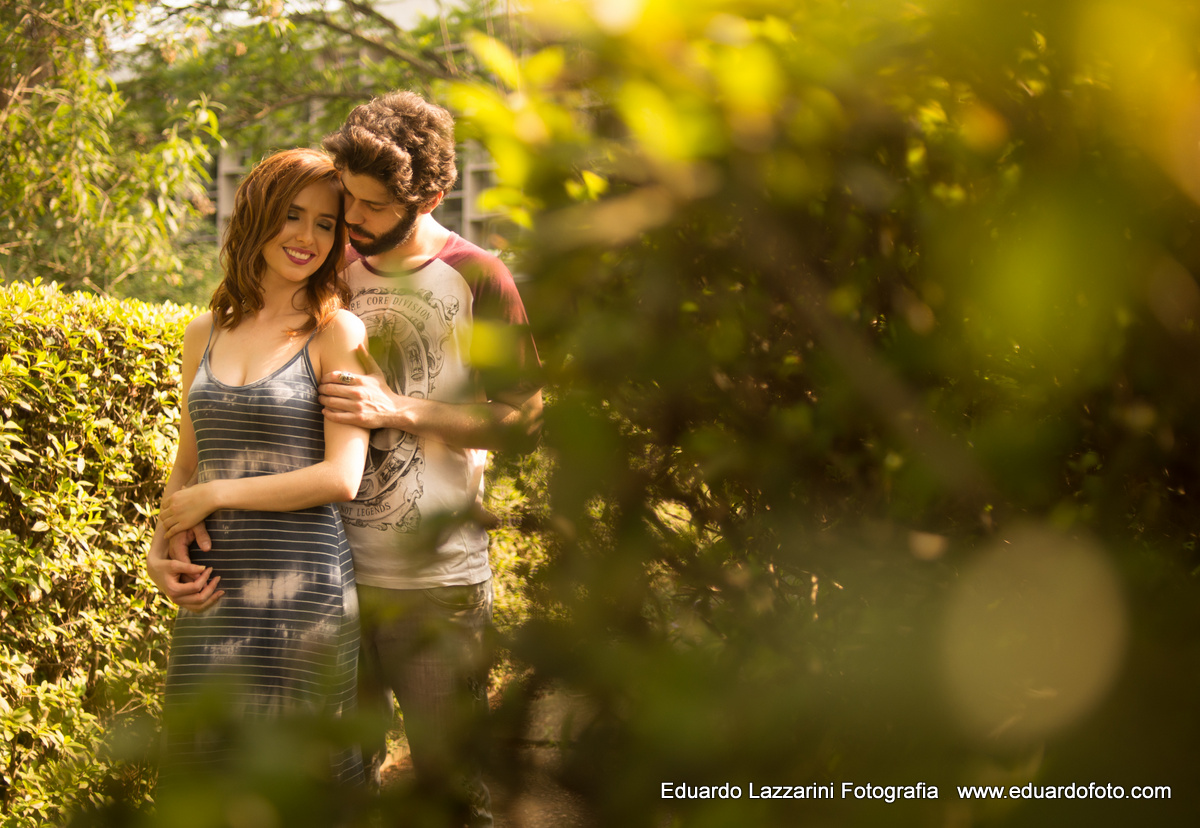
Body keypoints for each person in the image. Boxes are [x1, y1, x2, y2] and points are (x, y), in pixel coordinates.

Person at [313, 91, 543, 827]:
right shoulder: (329, 267)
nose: (351, 217)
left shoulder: (479, 276)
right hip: (332, 577)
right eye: (346, 195)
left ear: (430, 199)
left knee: (452, 792)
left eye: (373, 206)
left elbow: (524, 420)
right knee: (339, 791)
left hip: (438, 585)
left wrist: (401, 410)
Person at [147, 147, 370, 784]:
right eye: (292, 215)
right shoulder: (205, 331)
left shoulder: (337, 332)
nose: (307, 237)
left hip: (305, 590)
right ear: (257, 215)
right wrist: (159, 547)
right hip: (214, 591)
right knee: (203, 776)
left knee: (301, 782)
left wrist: (218, 495)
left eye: (325, 224)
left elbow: (341, 477)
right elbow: (187, 464)